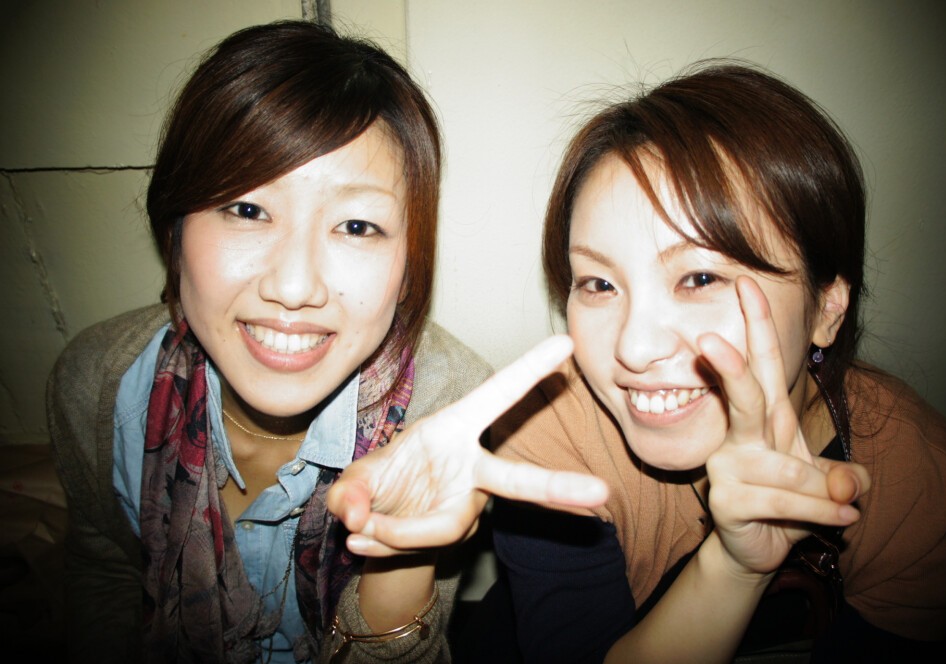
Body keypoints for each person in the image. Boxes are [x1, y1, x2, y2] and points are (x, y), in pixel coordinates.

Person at [47, 20, 606, 664]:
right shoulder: (99, 381)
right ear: (174, 232)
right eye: (247, 209)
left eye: (357, 226)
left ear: (408, 267)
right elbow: (105, 573)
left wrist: (400, 558)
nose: (293, 286)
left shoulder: (448, 409)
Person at [460, 61, 946, 662]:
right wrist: (734, 568)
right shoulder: (548, 437)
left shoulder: (929, 495)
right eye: (599, 284)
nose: (633, 349)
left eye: (699, 278)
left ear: (826, 307)